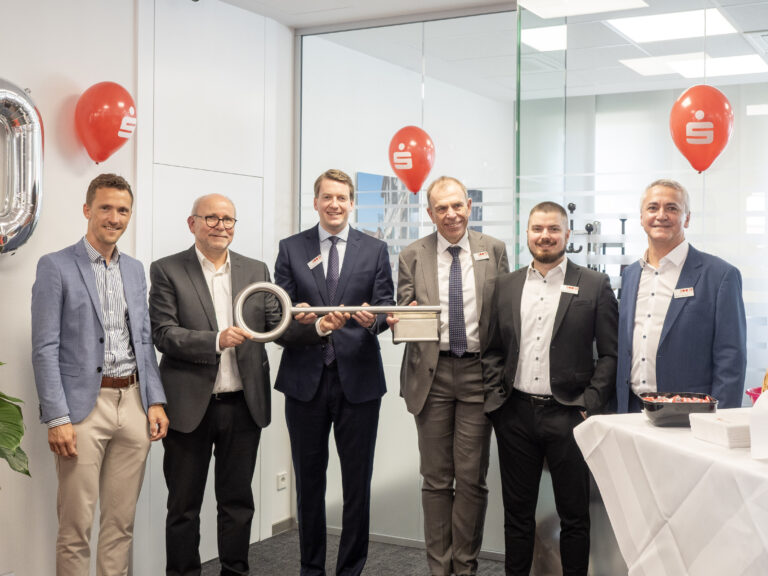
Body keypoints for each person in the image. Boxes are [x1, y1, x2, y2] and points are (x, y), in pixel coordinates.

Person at [149, 194, 344, 576]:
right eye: (212, 218)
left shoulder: (255, 270)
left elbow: (278, 327)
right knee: (183, 508)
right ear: (193, 224)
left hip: (243, 406)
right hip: (190, 408)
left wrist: (317, 326)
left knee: (237, 503)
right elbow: (163, 333)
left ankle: (235, 571)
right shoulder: (168, 269)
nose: (221, 226)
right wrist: (215, 340)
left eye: (228, 220)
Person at [31, 173, 169, 576]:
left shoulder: (135, 269)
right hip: (81, 411)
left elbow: (143, 341)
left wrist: (155, 400)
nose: (114, 217)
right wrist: (57, 418)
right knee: (76, 526)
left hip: (134, 405)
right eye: (106, 207)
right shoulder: (55, 266)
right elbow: (44, 347)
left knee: (120, 525)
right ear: (87, 209)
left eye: (123, 210)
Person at [482, 201, 617, 576]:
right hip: (515, 415)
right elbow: (492, 349)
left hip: (569, 415)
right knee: (517, 516)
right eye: (538, 229)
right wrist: (497, 402)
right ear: (527, 234)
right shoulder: (504, 286)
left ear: (567, 235)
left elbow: (609, 354)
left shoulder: (594, 284)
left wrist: (588, 405)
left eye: (554, 229)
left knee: (574, 516)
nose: (545, 236)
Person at [274, 169, 394, 576]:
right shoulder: (291, 249)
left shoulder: (375, 250)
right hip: (304, 382)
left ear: (351, 202)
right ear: (316, 202)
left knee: (356, 485)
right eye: (327, 197)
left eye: (342, 197)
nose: (335, 204)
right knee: (309, 485)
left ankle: (350, 570)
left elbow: (384, 309)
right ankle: (311, 569)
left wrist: (368, 321)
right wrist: (318, 326)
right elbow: (280, 319)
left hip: (358, 383)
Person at [390, 175, 508, 576]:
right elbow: (404, 313)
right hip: (432, 375)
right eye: (442, 208)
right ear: (430, 213)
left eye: (457, 205)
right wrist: (397, 320)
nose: (451, 214)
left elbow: (504, 316)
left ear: (469, 207)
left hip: (478, 374)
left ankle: (465, 566)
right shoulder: (412, 255)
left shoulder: (493, 250)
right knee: (436, 479)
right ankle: (438, 568)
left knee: (472, 479)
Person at [616, 179, 746, 413]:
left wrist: (720, 420)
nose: (661, 215)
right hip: (632, 411)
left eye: (672, 208)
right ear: (641, 217)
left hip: (690, 416)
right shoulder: (631, 274)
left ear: (687, 218)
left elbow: (731, 359)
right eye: (653, 207)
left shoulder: (719, 275)